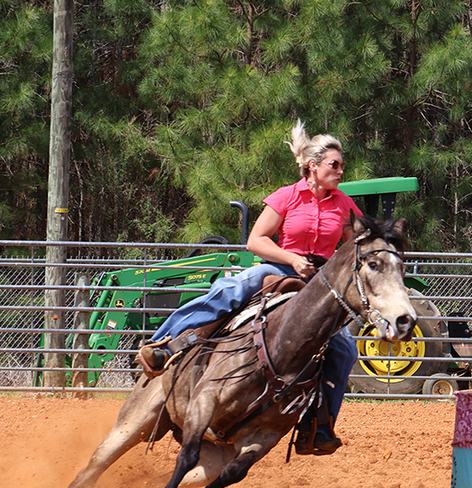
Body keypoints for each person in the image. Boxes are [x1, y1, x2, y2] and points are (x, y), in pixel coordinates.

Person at [137, 120, 362, 456]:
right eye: (334, 165)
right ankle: (167, 345)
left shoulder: (344, 205)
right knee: (231, 289)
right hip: (279, 266)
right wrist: (292, 258)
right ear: (313, 167)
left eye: (342, 165)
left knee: (344, 350)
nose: (340, 171)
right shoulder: (287, 197)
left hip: (319, 283)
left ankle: (319, 425)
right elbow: (256, 241)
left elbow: (354, 247)